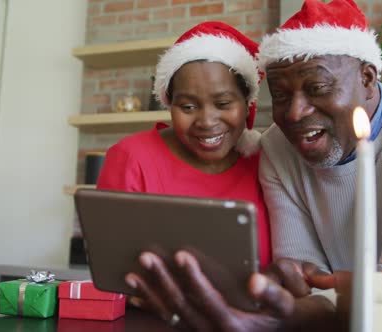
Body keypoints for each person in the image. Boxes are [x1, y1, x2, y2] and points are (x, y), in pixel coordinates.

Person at [124, 0, 382, 330]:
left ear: (367, 78)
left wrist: (320, 300)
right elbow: (302, 277)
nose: (295, 113)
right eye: (281, 95)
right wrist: (305, 297)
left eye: (317, 88)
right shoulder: (277, 147)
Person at [97, 22, 271, 268]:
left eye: (223, 104)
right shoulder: (132, 158)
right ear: (170, 104)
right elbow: (111, 263)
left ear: (247, 103)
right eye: (188, 107)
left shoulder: (267, 161)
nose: (206, 122)